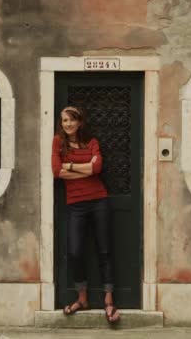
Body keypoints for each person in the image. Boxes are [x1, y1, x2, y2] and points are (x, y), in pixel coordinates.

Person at [51, 106, 121, 324]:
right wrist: (84, 167)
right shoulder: (57, 142)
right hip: (75, 204)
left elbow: (97, 169)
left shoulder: (92, 142)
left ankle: (109, 301)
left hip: (99, 199)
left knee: (105, 250)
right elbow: (56, 171)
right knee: (75, 252)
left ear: (80, 122)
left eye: (72, 120)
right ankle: (82, 298)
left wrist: (69, 166)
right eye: (64, 120)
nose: (68, 124)